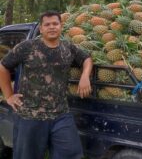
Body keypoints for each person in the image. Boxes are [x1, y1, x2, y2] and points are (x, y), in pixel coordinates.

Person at [0, 11, 93, 159]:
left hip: (61, 115)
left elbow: (86, 59)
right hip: (30, 116)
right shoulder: (27, 47)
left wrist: (85, 76)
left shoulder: (67, 48)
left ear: (61, 26)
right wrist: (9, 95)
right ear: (41, 29)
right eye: (47, 24)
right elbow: (3, 66)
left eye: (55, 24)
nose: (51, 27)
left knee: (71, 154)